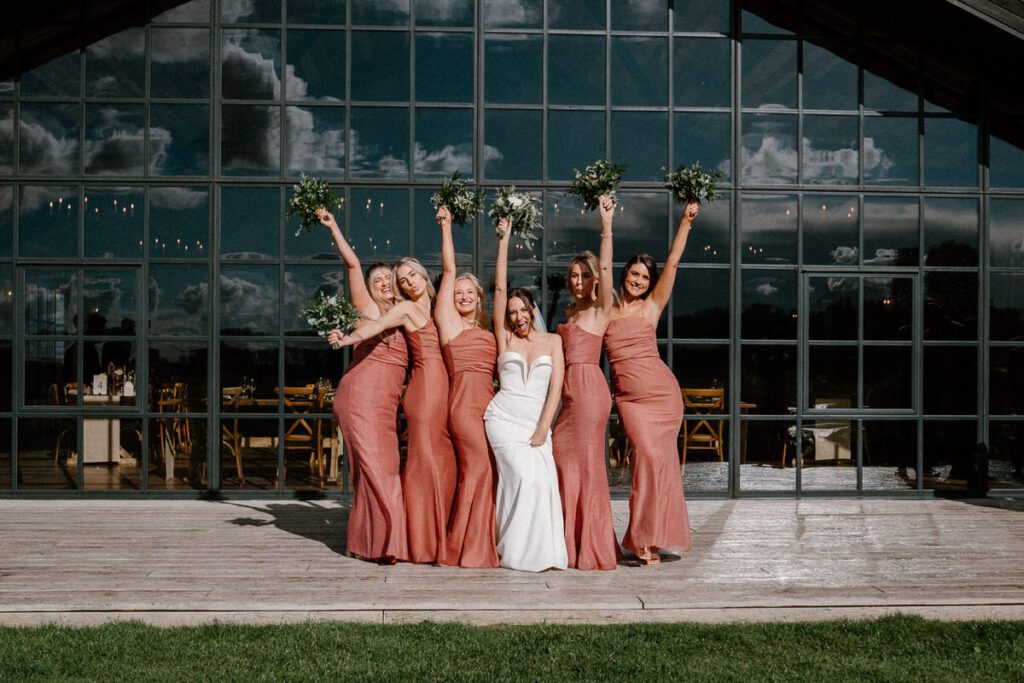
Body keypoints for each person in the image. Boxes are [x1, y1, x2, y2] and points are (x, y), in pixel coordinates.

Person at [332, 255, 456, 565]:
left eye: (401, 278)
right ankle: (395, 542)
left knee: (392, 465)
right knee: (385, 467)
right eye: (395, 280)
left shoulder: (432, 306)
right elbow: (372, 324)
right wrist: (347, 337)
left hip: (403, 396)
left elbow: (450, 270)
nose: (398, 283)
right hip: (400, 390)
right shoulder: (395, 310)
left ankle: (413, 534)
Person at [603, 200, 700, 565]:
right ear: (624, 272)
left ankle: (652, 538)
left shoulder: (652, 307)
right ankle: (642, 534)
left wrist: (686, 222)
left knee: (662, 466)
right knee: (645, 459)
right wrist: (607, 223)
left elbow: (672, 263)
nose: (638, 280)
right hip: (631, 401)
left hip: (663, 396)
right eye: (634, 273)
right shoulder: (608, 310)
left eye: (645, 277)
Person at [321, 209, 410, 564]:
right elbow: (354, 265)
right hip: (359, 396)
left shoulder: (406, 311)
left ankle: (375, 539)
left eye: (389, 279)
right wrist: (334, 227)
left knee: (384, 465)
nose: (384, 284)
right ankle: (384, 543)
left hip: (385, 400)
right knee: (373, 466)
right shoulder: (367, 308)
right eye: (379, 280)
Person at [484, 218, 568, 572]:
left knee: (542, 482)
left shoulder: (553, 341)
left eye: (522, 310)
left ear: (533, 309)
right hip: (502, 419)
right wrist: (503, 239)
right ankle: (514, 550)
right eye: (511, 312)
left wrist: (542, 429)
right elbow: (500, 289)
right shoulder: (506, 340)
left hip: (536, 423)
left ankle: (543, 554)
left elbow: (556, 390)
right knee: (520, 477)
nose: (517, 316)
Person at [552, 195, 620, 570]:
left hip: (590, 390)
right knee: (565, 462)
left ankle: (589, 545)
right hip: (567, 395)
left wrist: (605, 226)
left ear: (595, 278)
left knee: (589, 466)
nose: (578, 282)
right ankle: (565, 541)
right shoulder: (570, 312)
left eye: (584, 276)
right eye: (573, 277)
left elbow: (608, 263)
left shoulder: (599, 309)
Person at [433, 206, 500, 568]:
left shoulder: (488, 331)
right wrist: (446, 227)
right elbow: (448, 270)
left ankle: (479, 540)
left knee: (488, 468)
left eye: (468, 292)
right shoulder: (448, 324)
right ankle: (463, 546)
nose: (461, 296)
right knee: (478, 470)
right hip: (462, 406)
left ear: (478, 296)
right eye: (457, 292)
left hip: (490, 407)